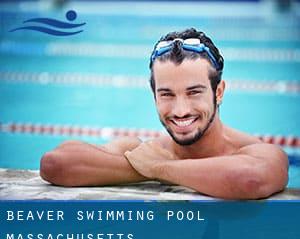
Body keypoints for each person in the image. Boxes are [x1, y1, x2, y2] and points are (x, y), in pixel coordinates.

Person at [40, 28, 288, 199]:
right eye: (167, 94)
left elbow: (249, 180)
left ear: (219, 91)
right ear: (154, 95)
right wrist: (158, 166)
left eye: (194, 93)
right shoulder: (142, 149)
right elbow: (56, 164)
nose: (180, 111)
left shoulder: (255, 151)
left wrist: (161, 168)